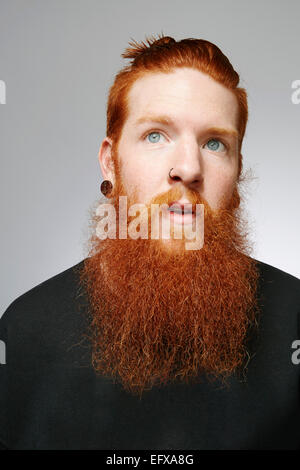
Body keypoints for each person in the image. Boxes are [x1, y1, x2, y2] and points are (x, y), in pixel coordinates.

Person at [0, 34, 299, 450]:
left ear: (237, 172)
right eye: (156, 135)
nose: (188, 168)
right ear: (110, 160)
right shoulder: (25, 331)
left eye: (215, 143)